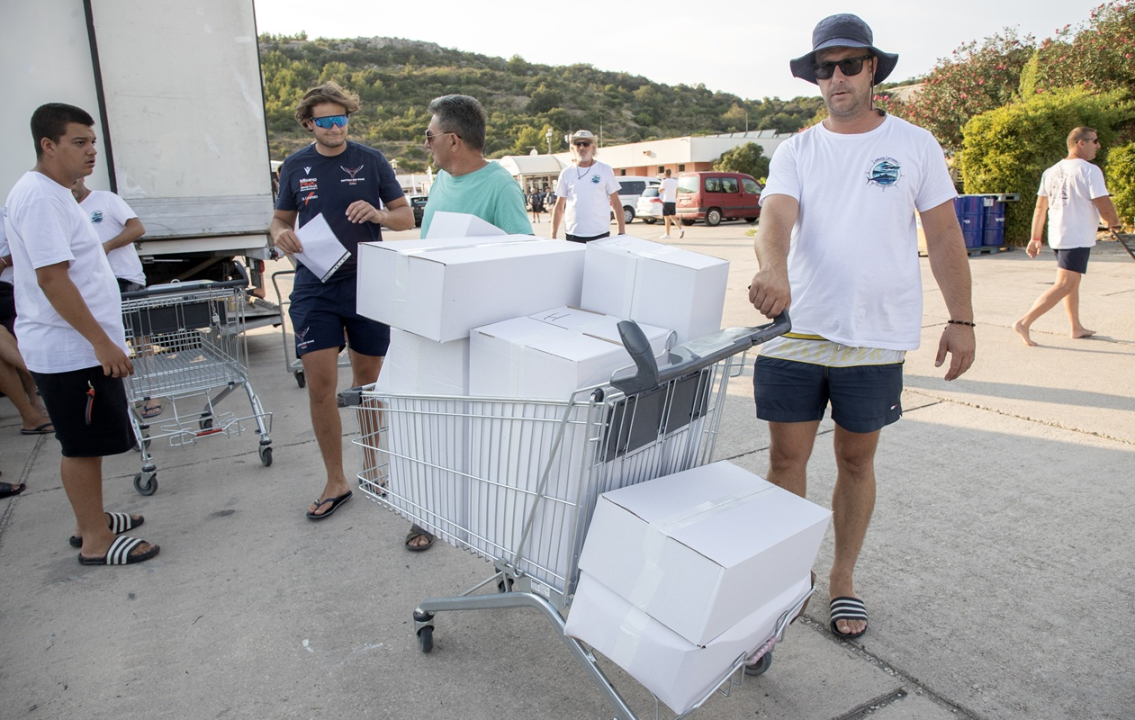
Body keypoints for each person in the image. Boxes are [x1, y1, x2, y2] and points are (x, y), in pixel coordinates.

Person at [747, 14, 975, 640]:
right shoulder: (797, 149)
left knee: (855, 457)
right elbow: (775, 218)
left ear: (873, 68)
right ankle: (788, 576)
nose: (838, 77)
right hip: (796, 332)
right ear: (815, 77)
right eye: (826, 68)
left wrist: (961, 318)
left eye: (850, 64)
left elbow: (945, 234)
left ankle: (843, 579)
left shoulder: (914, 144)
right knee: (785, 457)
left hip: (875, 333)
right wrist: (773, 269)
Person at [5, 102, 155, 565]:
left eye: (92, 142)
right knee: (82, 445)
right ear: (48, 145)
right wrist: (101, 341)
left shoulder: (53, 192)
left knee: (86, 441)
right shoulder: (42, 198)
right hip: (70, 349)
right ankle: (95, 540)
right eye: (79, 142)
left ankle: (90, 520)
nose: (92, 152)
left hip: (74, 345)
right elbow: (53, 279)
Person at [269, 83, 415, 527]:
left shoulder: (370, 159)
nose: (334, 128)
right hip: (315, 285)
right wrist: (279, 235)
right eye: (324, 121)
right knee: (320, 386)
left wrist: (379, 216)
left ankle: (373, 467)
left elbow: (406, 217)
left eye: (341, 119)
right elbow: (280, 220)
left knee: (368, 381)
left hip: (367, 283)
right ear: (308, 123)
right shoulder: (295, 165)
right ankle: (336, 480)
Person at [1013, 127, 1122, 346]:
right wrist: (1114, 222)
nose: (1098, 145)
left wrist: (1035, 237)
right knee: (1065, 284)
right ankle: (1024, 322)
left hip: (1059, 234)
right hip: (1076, 235)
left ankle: (1076, 327)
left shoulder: (1051, 171)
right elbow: (1103, 202)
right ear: (1081, 143)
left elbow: (1040, 208)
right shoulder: (1089, 171)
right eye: (1095, 141)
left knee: (1072, 281)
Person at [69, 177, 159, 418]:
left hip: (125, 278)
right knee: (108, 340)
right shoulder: (65, 210)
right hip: (93, 283)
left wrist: (107, 246)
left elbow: (137, 228)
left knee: (140, 338)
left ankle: (151, 393)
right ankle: (123, 398)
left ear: (83, 178)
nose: (71, 186)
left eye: (74, 181)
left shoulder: (106, 200)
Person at [420, 94, 533, 237]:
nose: (426, 145)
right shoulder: (441, 179)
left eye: (430, 137)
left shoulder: (502, 188)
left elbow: (524, 252)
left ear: (453, 141)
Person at [1, 208, 55, 435]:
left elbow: (25, 249)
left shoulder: (6, 214)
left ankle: (32, 407)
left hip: (5, 287)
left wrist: (3, 261)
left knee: (13, 331)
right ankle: (43, 377)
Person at [550, 130, 625, 243]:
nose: (581, 147)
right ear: (573, 148)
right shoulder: (566, 173)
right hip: (573, 235)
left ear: (593, 147)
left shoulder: (605, 170)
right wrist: (553, 236)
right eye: (577, 144)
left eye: (586, 144)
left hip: (600, 235)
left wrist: (622, 233)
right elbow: (559, 206)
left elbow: (616, 203)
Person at [658, 169, 684, 239]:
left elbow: (660, 191)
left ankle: (667, 234)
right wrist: (675, 197)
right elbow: (677, 190)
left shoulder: (664, 182)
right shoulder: (675, 181)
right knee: (673, 217)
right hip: (673, 201)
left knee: (667, 219)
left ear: (665, 174)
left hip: (666, 201)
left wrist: (661, 185)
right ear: (670, 173)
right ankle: (681, 229)